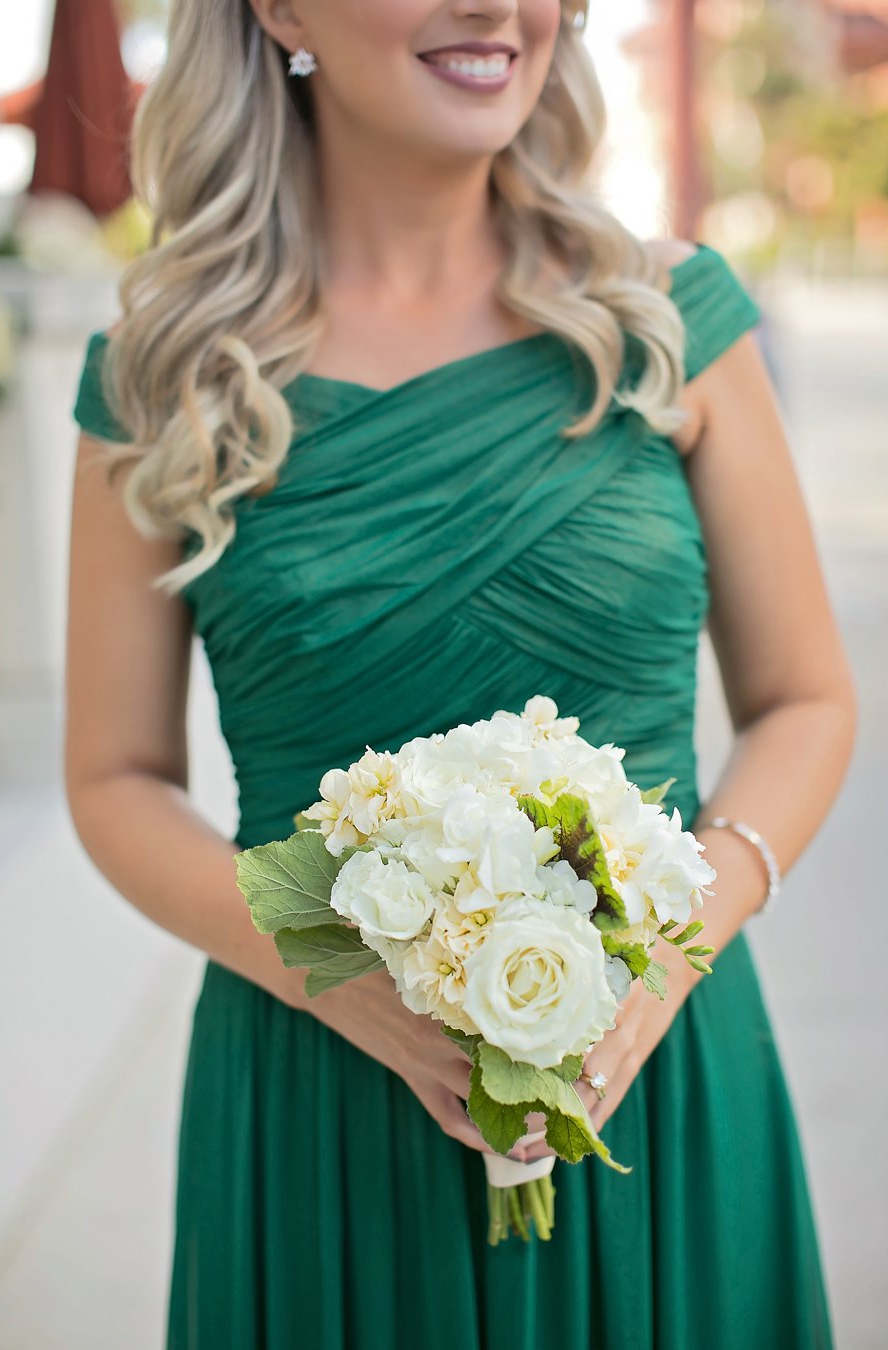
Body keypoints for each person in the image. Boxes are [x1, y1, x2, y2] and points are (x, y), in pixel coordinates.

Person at [64, 2, 855, 1347]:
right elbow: (113, 778)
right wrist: (334, 973)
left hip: (656, 1076)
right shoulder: (167, 382)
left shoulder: (665, 318)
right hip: (321, 1092)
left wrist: (675, 945)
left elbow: (807, 700)